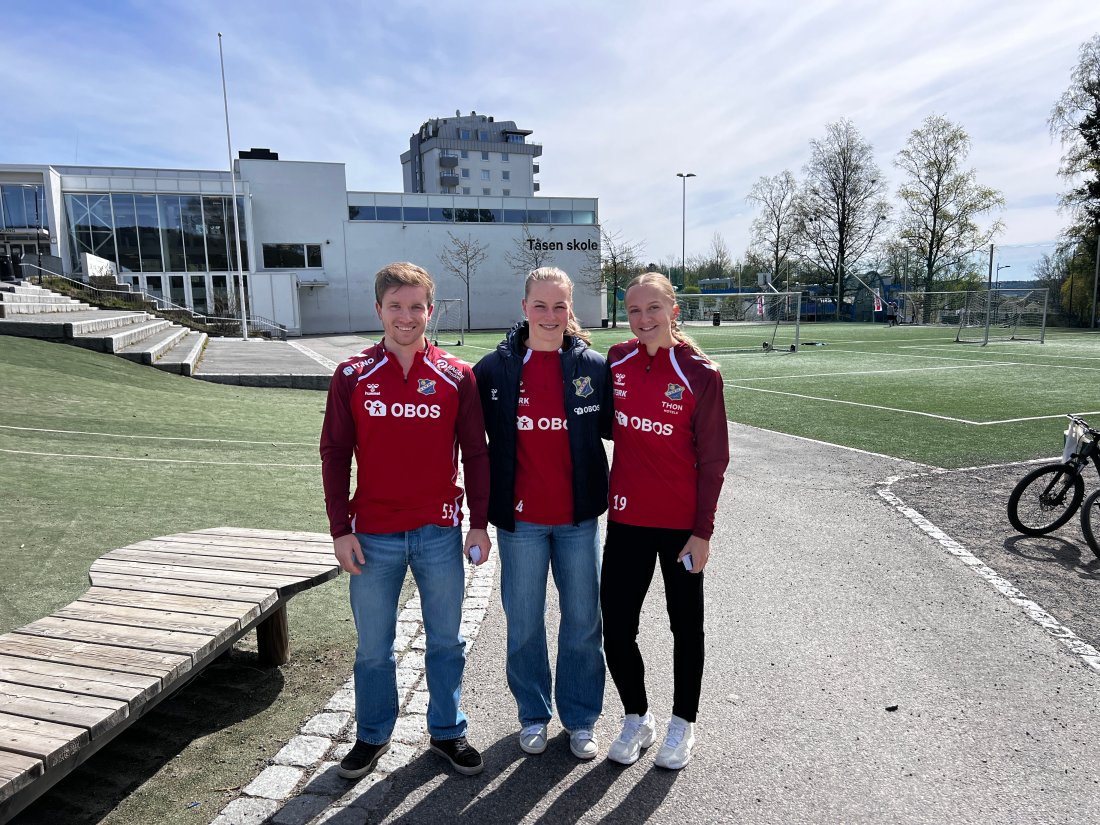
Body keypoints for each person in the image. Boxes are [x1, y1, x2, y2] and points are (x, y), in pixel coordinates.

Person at [320, 262, 491, 779]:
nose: (406, 316)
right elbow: (334, 453)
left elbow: (477, 455)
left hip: (439, 532)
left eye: (416, 306)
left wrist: (478, 523)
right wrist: (339, 529)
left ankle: (446, 730)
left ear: (429, 311)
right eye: (396, 305)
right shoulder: (352, 376)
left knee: (446, 641)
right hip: (372, 535)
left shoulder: (457, 375)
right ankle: (372, 734)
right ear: (379, 310)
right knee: (374, 646)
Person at [472, 267, 611, 760]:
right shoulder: (494, 369)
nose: (549, 316)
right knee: (525, 624)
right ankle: (533, 714)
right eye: (540, 305)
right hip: (521, 523)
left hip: (578, 521)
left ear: (570, 310)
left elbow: (629, 432)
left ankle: (580, 718)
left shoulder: (594, 368)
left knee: (582, 622)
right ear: (524, 307)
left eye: (559, 306)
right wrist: (476, 518)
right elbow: (473, 446)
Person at [602, 272, 729, 770]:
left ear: (673, 311)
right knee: (616, 626)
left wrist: (703, 532)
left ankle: (683, 724)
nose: (643, 319)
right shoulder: (616, 360)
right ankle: (637, 717)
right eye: (634, 311)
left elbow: (714, 460)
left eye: (653, 308)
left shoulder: (701, 374)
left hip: (681, 529)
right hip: (628, 520)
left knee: (686, 628)